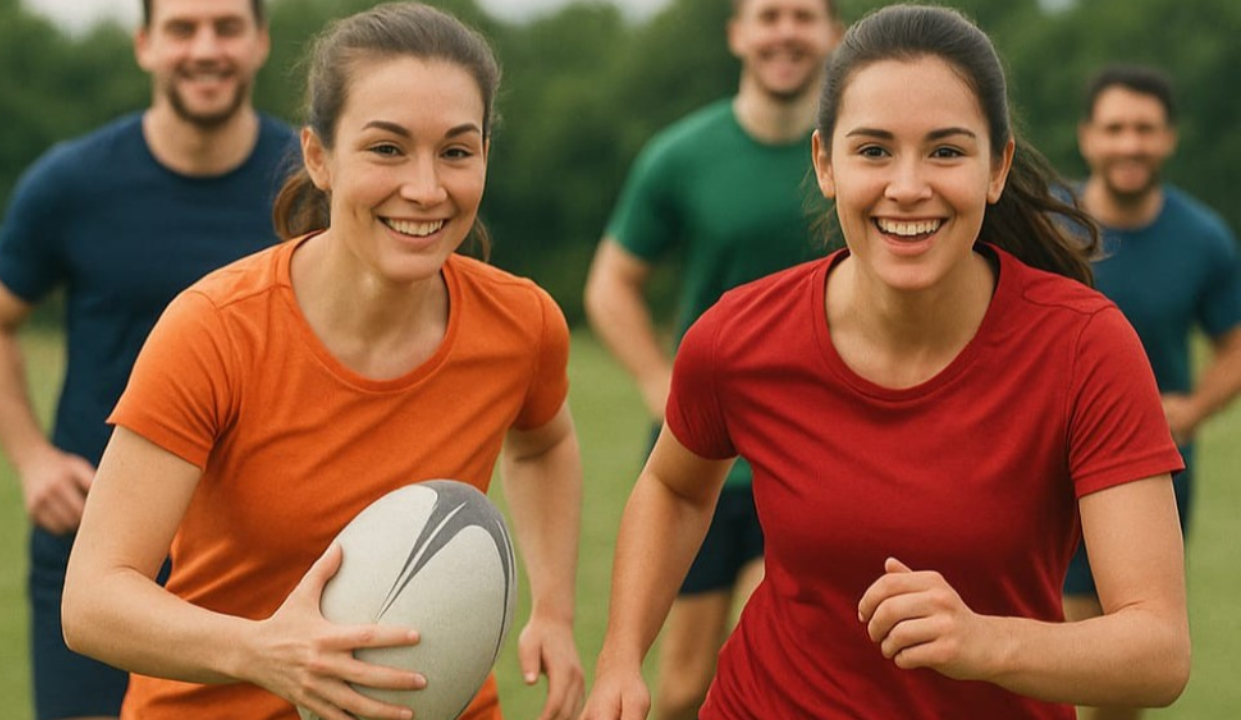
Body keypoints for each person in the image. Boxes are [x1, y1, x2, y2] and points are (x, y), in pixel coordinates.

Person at [581, 5, 1191, 719]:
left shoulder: (1086, 345)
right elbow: (677, 490)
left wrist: (985, 643)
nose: (907, 186)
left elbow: (1158, 651)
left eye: (945, 152)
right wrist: (621, 659)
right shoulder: (737, 336)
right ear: (825, 163)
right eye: (873, 150)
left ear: (997, 167)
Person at [58, 4, 585, 720]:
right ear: (319, 156)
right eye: (387, 149)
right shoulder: (214, 330)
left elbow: (545, 441)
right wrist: (266, 652)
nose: (427, 189)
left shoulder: (522, 323)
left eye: (456, 151)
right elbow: (92, 600)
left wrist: (552, 607)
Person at [0, 1, 294, 718]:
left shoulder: (311, 184)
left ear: (261, 42)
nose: (206, 48)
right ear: (146, 45)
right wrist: (31, 458)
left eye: (227, 27)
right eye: (182, 29)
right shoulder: (71, 183)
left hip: (265, 567)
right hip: (95, 559)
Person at [582, 1, 842, 716]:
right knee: (685, 687)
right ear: (738, 34)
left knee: (774, 672)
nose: (785, 32)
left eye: (804, 15)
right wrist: (655, 380)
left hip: (821, 461)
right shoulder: (681, 155)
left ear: (835, 34)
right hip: (704, 461)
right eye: (768, 15)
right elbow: (610, 285)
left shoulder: (863, 155)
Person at [1063, 64, 1241, 720]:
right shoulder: (1048, 226)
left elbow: (1236, 345)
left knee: (1120, 673)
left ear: (1168, 139)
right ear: (1088, 137)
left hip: (1148, 479)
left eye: (1144, 129)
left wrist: (1194, 409)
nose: (1129, 143)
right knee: (1035, 654)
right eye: (1114, 128)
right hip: (1043, 468)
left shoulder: (1203, 239)